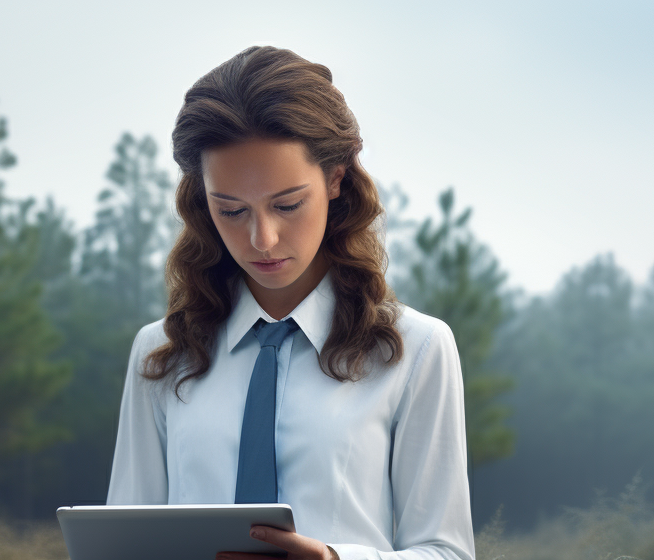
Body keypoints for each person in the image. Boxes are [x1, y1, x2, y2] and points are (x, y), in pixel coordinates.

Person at [106, 46, 476, 560]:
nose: (262, 238)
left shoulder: (415, 350)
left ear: (336, 178)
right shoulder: (164, 353)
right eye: (231, 210)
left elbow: (446, 552)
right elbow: (125, 544)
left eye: (287, 204)